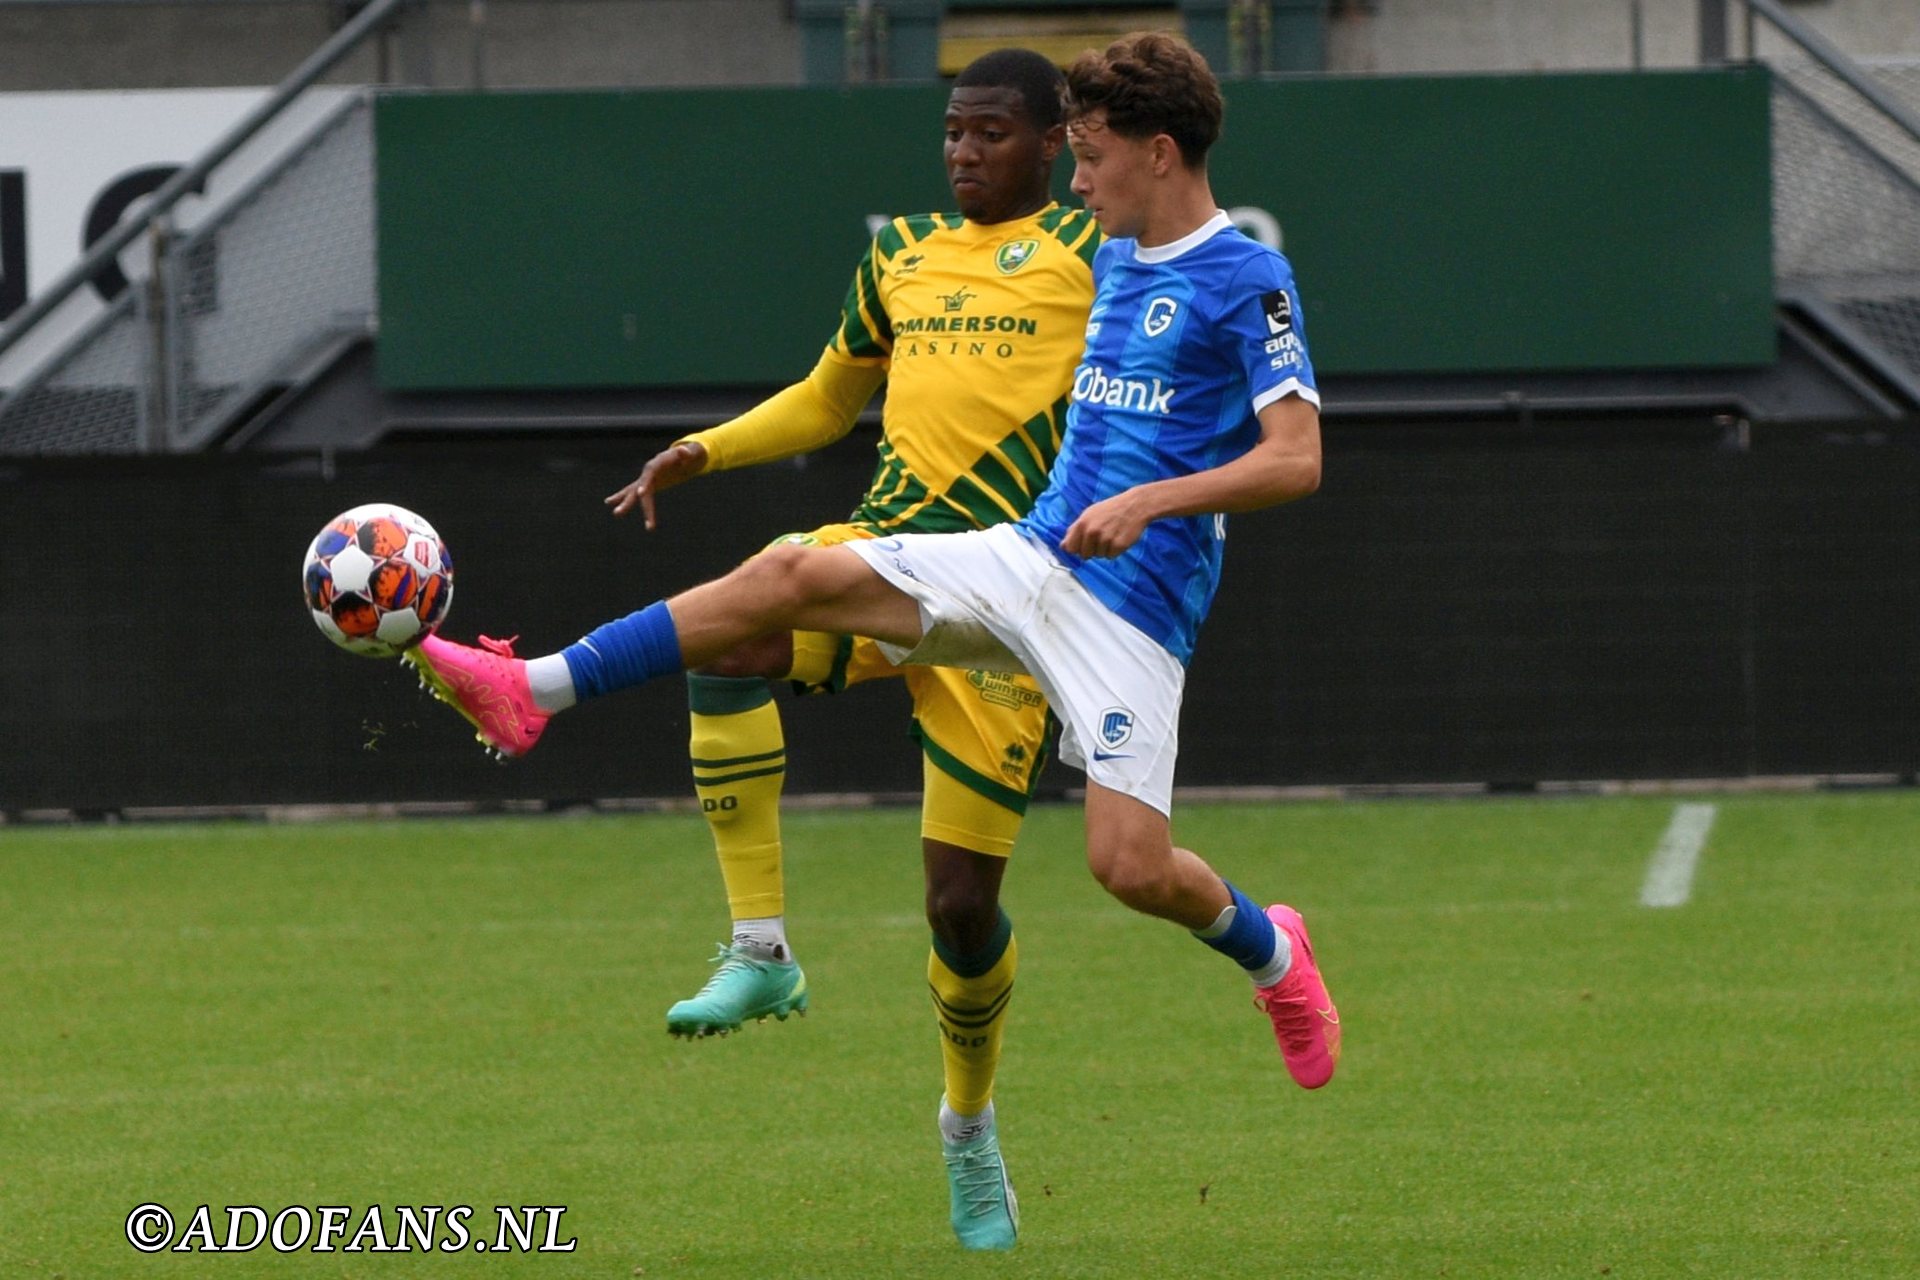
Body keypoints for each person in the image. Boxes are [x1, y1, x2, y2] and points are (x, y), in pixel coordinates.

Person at [407, 27, 1339, 1240]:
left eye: (1094, 155)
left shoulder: (1242, 280)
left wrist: (1156, 499)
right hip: (1022, 559)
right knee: (790, 571)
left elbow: (1298, 459)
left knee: (1128, 867)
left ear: (1159, 154)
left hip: (1132, 610)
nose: (1077, 178)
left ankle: (1275, 952)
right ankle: (530, 686)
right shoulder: (1091, 249)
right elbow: (851, 390)